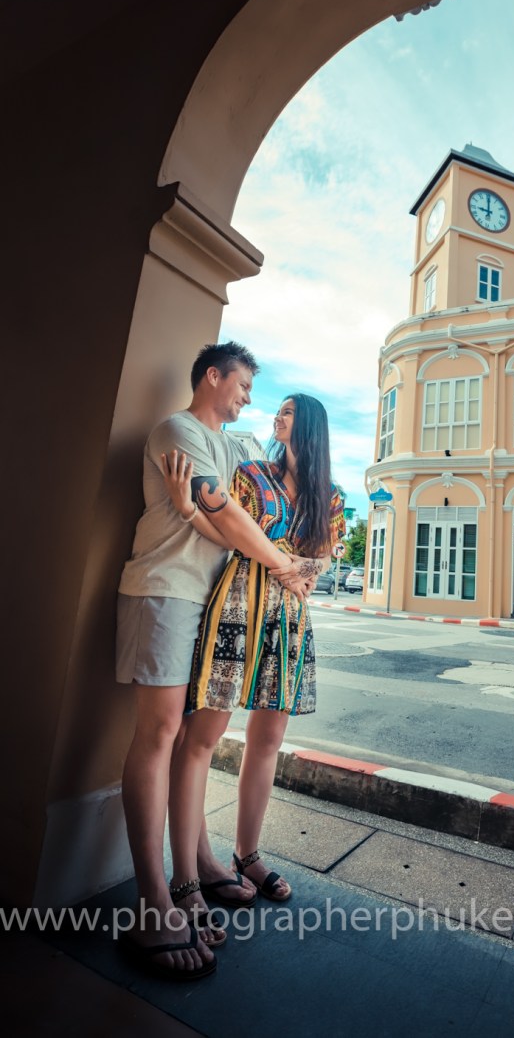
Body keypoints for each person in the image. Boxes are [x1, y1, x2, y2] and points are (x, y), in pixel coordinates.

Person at [116, 342, 315, 981]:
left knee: (195, 736)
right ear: (212, 377)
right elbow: (224, 510)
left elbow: (237, 512)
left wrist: (208, 512)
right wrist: (281, 564)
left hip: (211, 600)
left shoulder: (234, 448)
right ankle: (154, 904)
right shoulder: (177, 430)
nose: (249, 399)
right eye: (243, 386)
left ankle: (199, 864)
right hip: (167, 589)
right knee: (161, 733)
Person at [162, 393, 344, 919]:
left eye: (287, 412)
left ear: (307, 426)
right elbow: (226, 535)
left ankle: (248, 856)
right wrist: (186, 509)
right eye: (278, 411)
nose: (276, 417)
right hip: (238, 607)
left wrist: (291, 568)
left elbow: (321, 567)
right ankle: (187, 876)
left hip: (290, 621)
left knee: (268, 740)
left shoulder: (329, 495)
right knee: (204, 736)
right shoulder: (249, 474)